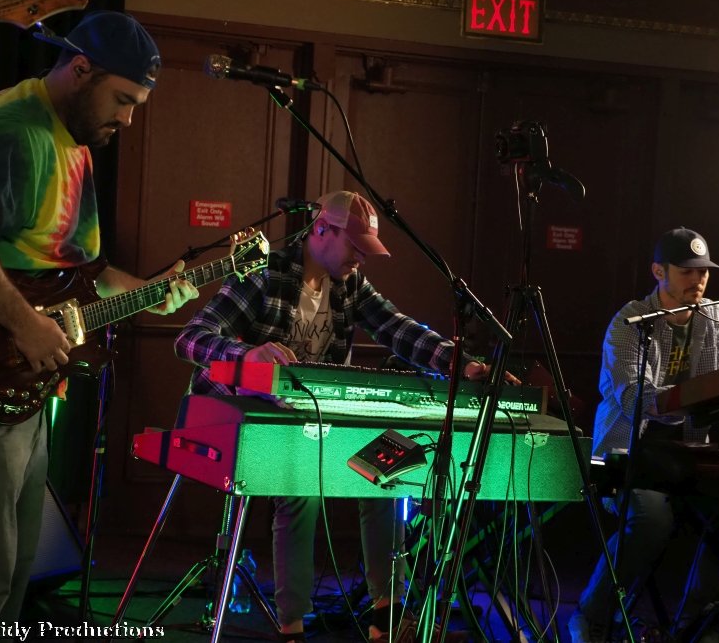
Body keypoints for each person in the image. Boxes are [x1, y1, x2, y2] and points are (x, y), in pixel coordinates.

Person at [0, 11, 198, 635]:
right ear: (81, 70)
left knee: (14, 571)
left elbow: (74, 268)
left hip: (14, 384)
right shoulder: (8, 129)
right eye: (123, 100)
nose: (129, 119)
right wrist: (25, 325)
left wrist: (145, 292)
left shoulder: (72, 140)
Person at [175, 190, 495, 642]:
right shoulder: (264, 273)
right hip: (244, 418)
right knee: (301, 489)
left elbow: (398, 329)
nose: (360, 259)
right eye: (355, 248)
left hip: (312, 418)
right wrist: (247, 355)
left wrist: (462, 364)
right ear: (322, 229)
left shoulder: (349, 284)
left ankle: (388, 618)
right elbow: (190, 338)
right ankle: (292, 627)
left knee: (387, 468)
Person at [568, 227, 719, 643]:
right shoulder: (630, 321)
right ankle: (591, 616)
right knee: (649, 519)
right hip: (622, 455)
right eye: (687, 271)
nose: (698, 280)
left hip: (689, 453)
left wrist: (711, 395)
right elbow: (635, 397)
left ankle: (698, 619)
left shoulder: (717, 317)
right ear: (658, 272)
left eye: (703, 272)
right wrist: (697, 397)